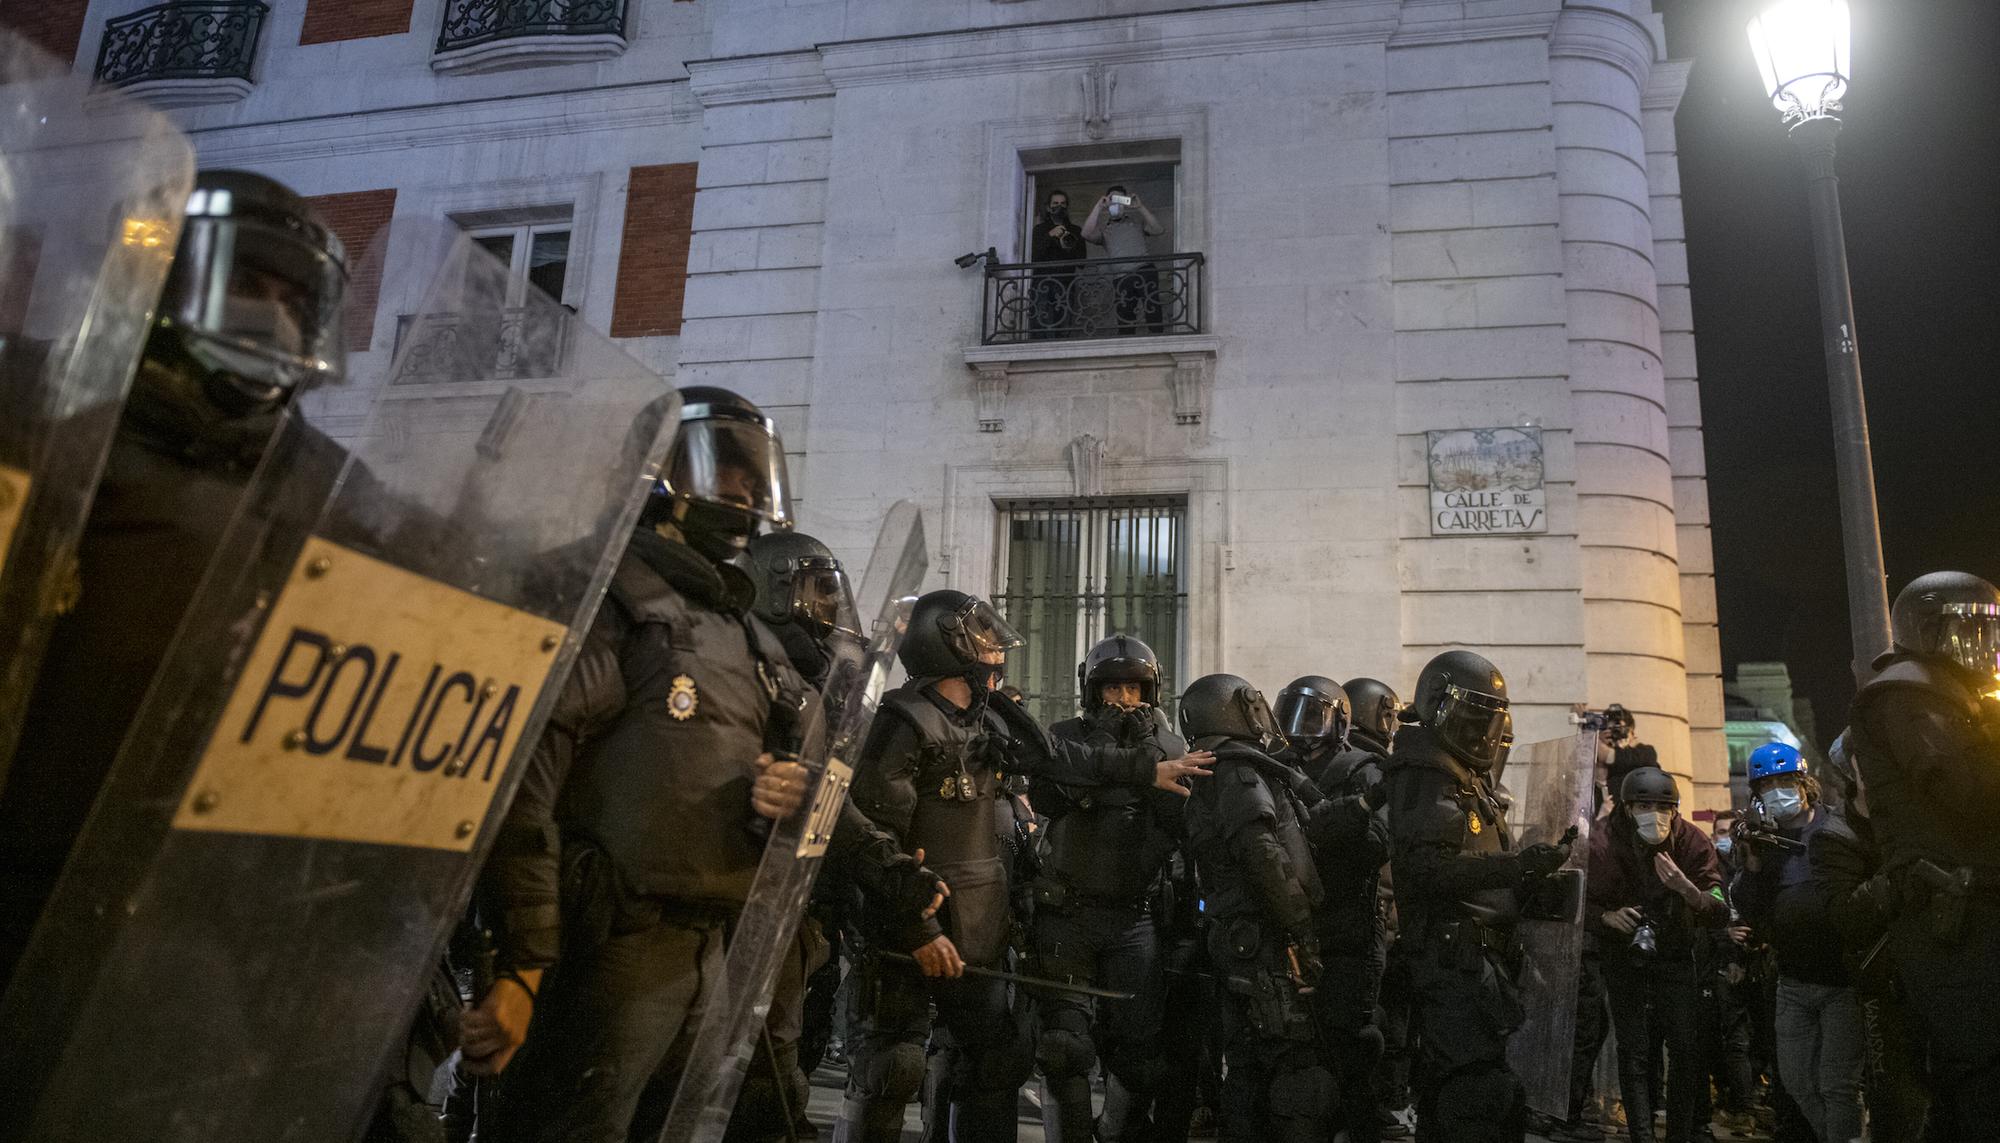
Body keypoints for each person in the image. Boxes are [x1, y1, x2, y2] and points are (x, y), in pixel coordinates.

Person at [0, 170, 349, 986]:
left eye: (294, 299)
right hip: (29, 867)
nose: (273, 313)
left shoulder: (322, 484)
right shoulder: (42, 420)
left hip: (201, 899)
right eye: (243, 280)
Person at [459, 388, 830, 1142]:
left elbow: (736, 767)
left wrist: (779, 794)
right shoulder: (610, 596)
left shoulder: (741, 629)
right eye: (722, 472)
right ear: (655, 476)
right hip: (607, 950)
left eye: (754, 479)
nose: (746, 493)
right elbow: (525, 781)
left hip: (709, 949)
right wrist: (524, 960)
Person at [833, 591, 1211, 1143]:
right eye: (983, 643)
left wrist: (1143, 771)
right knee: (892, 1068)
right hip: (914, 925)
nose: (995, 656)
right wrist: (919, 929)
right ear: (949, 649)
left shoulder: (987, 717)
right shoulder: (903, 722)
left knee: (998, 1062)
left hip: (978, 924)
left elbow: (1059, 756)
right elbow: (874, 840)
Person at [1382, 650, 1570, 1143]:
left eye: (1490, 719)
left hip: (1473, 962)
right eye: (1472, 717)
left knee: (1465, 1094)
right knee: (1477, 1096)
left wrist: (1533, 879)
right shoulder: (1428, 772)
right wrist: (1516, 866)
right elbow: (1429, 870)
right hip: (1453, 962)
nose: (1481, 732)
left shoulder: (1458, 773)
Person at [1845, 570, 2000, 1141]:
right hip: (1953, 923)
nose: (1984, 647)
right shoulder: (1906, 693)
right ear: (1930, 629)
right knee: (1981, 1079)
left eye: (1991, 634)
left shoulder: (1953, 695)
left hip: (1971, 913)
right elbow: (1967, 789)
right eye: (1970, 632)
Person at [1029, 634, 1189, 1142]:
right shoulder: (1063, 736)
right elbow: (1052, 797)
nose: (1123, 699)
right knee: (1063, 1048)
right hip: (1067, 913)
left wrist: (1148, 749)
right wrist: (1103, 749)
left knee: (1141, 1056)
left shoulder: (1169, 746)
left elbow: (1177, 818)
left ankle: (1115, 1132)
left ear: (1151, 692)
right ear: (1092, 691)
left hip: (1133, 916)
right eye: (1112, 689)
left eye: (1133, 689)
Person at [1180, 672, 1334, 1142]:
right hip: (1264, 937)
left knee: (1248, 1062)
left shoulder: (1220, 769)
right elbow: (1262, 854)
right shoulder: (1239, 774)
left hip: (1238, 934)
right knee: (1293, 1065)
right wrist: (1301, 930)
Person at [1275, 674, 1395, 1142]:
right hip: (1297, 929)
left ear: (1340, 721)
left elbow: (1379, 845)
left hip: (1350, 932)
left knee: (1350, 1050)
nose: (1302, 730)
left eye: (1313, 717)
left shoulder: (1364, 768)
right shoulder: (1278, 763)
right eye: (1293, 715)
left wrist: (1324, 822)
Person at [1583, 766, 1728, 1143]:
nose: (1654, 814)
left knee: (1684, 1046)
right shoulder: (1602, 841)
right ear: (1627, 809)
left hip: (1676, 953)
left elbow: (1718, 905)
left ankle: (1679, 1133)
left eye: (1663, 806)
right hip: (1623, 954)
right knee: (1633, 1050)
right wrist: (1607, 917)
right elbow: (1578, 900)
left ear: (1676, 810)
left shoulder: (1693, 842)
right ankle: (1641, 1135)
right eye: (1643, 805)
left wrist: (1687, 890)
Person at [1731, 742, 1865, 1143]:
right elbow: (1752, 909)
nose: (1778, 791)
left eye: (1785, 781)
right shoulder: (1764, 843)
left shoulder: (1837, 829)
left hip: (1841, 980)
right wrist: (1752, 864)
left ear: (1805, 784)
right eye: (1767, 785)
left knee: (1837, 1085)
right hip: (1793, 981)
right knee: (1797, 1082)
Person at [1812, 737, 1932, 1141]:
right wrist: (1902, 867)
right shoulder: (1836, 834)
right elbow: (1847, 916)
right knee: (1896, 1100)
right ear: (1852, 771)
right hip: (1883, 983)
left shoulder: (1917, 814)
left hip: (1937, 973)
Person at [1080, 184, 1166, 334]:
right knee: (1125, 318)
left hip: (1144, 270)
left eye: (1120, 199)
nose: (1116, 203)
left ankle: (1158, 338)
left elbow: (1158, 229)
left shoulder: (1136, 221)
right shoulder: (1104, 229)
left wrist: (1140, 207)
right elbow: (1086, 233)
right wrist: (1099, 207)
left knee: (1153, 311)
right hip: (1121, 277)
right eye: (1113, 199)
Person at [1030, 188, 1086, 338]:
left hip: (1066, 284)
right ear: (1048, 207)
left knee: (1064, 329)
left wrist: (1068, 245)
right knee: (1041, 328)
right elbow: (1033, 257)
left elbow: (1082, 262)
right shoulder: (1039, 230)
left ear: (1067, 207)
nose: (1059, 206)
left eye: (1063, 203)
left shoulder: (1075, 230)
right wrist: (1050, 235)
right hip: (1043, 284)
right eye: (1055, 203)